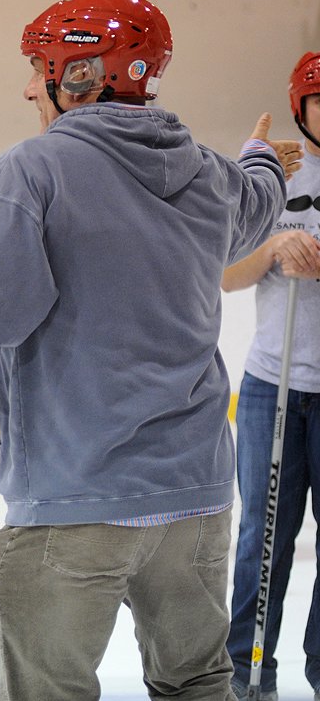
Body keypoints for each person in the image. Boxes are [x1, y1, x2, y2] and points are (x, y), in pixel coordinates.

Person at [0, 0, 301, 700]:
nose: (28, 88)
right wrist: (259, 157)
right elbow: (253, 206)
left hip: (75, 502)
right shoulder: (203, 171)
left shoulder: (28, 174)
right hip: (194, 498)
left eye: (41, 67)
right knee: (197, 682)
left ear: (79, 76)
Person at [225, 51, 320, 701]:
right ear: (299, 106)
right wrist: (272, 249)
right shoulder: (280, 171)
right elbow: (223, 274)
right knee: (262, 534)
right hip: (272, 386)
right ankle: (248, 669)